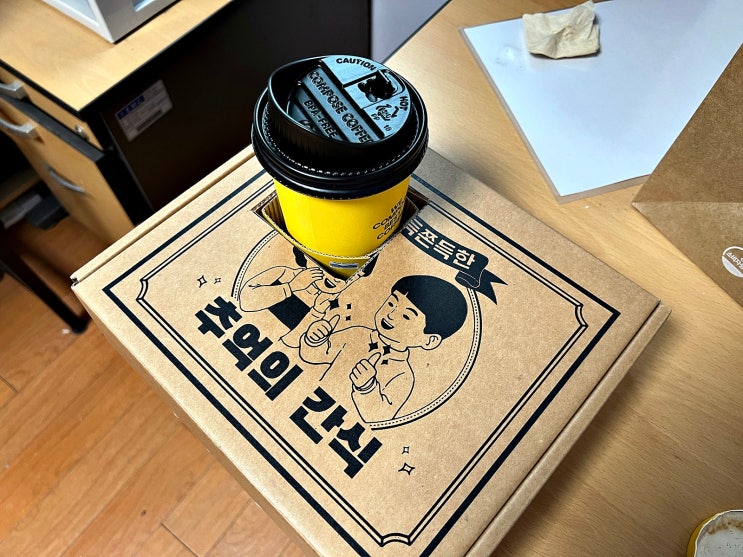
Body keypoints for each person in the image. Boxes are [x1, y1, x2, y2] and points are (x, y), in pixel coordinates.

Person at [299, 275, 468, 423]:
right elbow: (314, 356)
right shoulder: (357, 333)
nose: (391, 315)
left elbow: (378, 417)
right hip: (307, 402)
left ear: (430, 340)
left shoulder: (402, 375)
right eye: (391, 303)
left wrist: (367, 387)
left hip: (339, 425)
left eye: (406, 316)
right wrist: (314, 339)